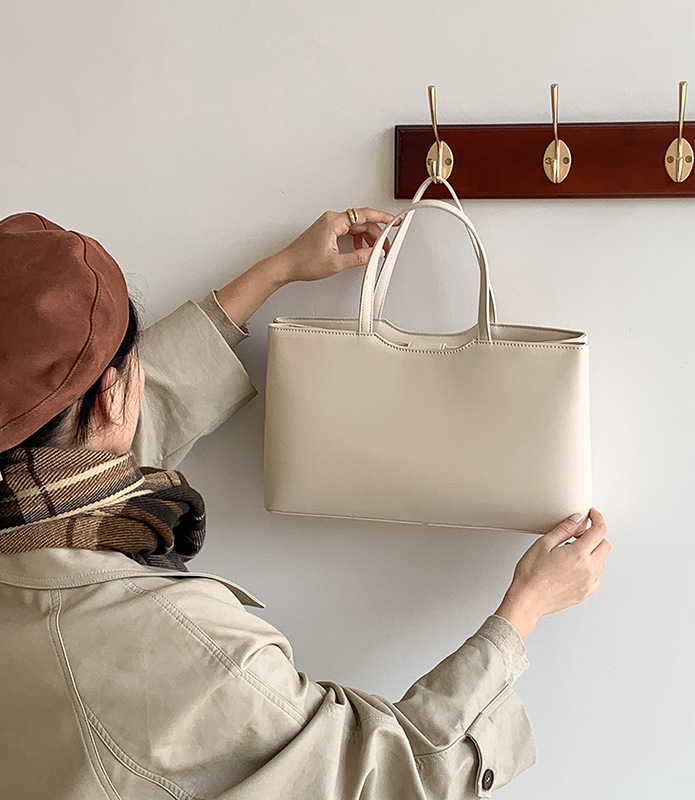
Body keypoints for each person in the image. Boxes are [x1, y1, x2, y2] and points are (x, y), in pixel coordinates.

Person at [0, 207, 610, 800]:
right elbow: (391, 776)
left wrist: (279, 270)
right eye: (132, 362)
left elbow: (95, 427)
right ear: (112, 396)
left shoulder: (30, 517)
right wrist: (525, 608)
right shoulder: (176, 640)